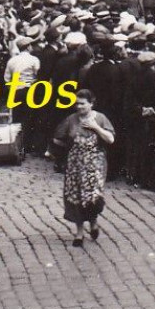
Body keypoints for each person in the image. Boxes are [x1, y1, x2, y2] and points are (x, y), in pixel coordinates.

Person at [51, 89, 116, 247]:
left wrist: (96, 128)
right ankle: (79, 233)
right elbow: (57, 139)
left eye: (82, 104)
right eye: (77, 103)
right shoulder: (71, 120)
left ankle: (93, 222)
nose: (79, 107)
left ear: (91, 104)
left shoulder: (100, 118)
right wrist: (69, 147)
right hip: (75, 164)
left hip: (95, 163)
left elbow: (110, 139)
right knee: (76, 197)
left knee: (92, 196)